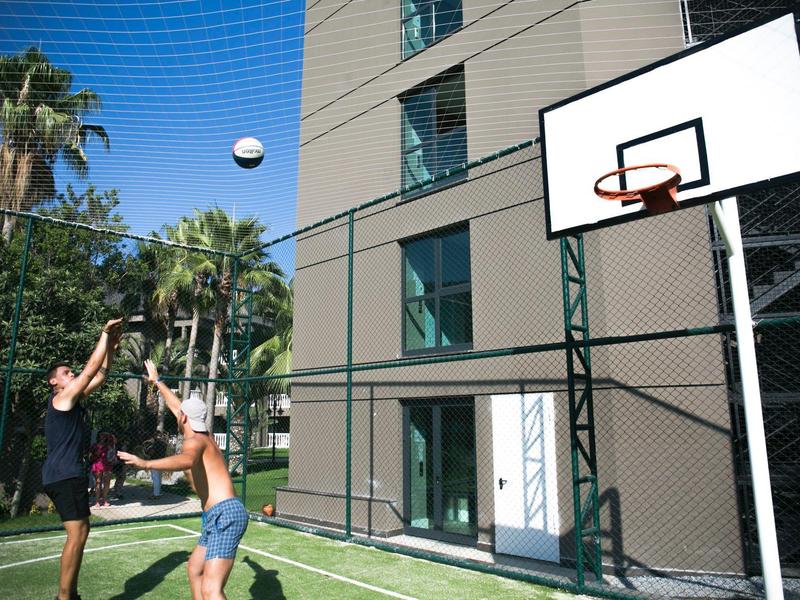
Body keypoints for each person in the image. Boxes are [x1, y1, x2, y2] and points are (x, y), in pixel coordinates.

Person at [118, 359, 248, 600]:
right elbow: (177, 407)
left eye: (180, 415)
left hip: (225, 514)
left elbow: (186, 460)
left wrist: (146, 463)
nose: (177, 415)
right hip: (217, 514)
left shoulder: (194, 442)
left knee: (211, 588)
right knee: (194, 569)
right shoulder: (204, 434)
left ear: (184, 419)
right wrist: (157, 382)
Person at [42, 317, 123, 600]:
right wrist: (103, 333)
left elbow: (100, 376)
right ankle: (64, 597)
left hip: (67, 474)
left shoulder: (72, 400)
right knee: (76, 535)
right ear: (54, 381)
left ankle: (70, 594)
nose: (72, 373)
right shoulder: (61, 399)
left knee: (82, 532)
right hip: (64, 474)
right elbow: (89, 371)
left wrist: (111, 346)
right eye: (66, 372)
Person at [88, 432, 114, 507]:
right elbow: (90, 457)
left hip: (107, 465)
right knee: (98, 482)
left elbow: (112, 452)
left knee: (107, 483)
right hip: (97, 465)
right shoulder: (95, 446)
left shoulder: (109, 445)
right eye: (101, 436)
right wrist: (96, 454)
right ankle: (97, 501)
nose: (102, 437)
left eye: (104, 436)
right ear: (98, 437)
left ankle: (105, 500)